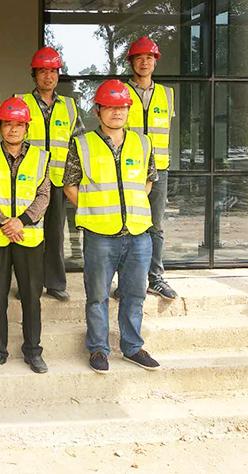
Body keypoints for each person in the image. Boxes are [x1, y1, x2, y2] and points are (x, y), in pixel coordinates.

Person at [63, 79, 161, 374]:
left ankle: (132, 347)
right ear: (97, 110)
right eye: (110, 106)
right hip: (99, 235)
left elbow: (147, 182)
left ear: (128, 110)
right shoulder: (81, 144)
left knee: (135, 294)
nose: (117, 112)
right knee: (97, 296)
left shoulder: (143, 143)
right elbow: (70, 185)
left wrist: (129, 209)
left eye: (122, 107)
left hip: (138, 234)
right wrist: (94, 209)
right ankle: (98, 349)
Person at [0, 97, 51, 375]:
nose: (13, 129)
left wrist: (21, 222)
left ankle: (33, 351)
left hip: (28, 238)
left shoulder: (41, 157)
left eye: (19, 124)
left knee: (32, 297)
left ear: (27, 128)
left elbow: (44, 196)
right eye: (8, 124)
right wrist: (3, 223)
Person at [18, 47, 84, 302]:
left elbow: (78, 144)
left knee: (55, 234)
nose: (48, 76)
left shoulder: (69, 106)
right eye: (43, 71)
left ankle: (55, 283)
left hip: (57, 180)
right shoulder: (21, 102)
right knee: (29, 233)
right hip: (28, 181)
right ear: (34, 75)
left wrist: (75, 177)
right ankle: (28, 284)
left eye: (53, 71)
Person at [122, 37, 178, 300]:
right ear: (131, 62)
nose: (144, 62)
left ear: (155, 62)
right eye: (139, 58)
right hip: (128, 170)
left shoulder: (167, 94)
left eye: (149, 58)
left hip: (159, 171)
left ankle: (155, 279)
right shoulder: (121, 92)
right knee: (127, 226)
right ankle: (126, 282)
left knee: (155, 227)